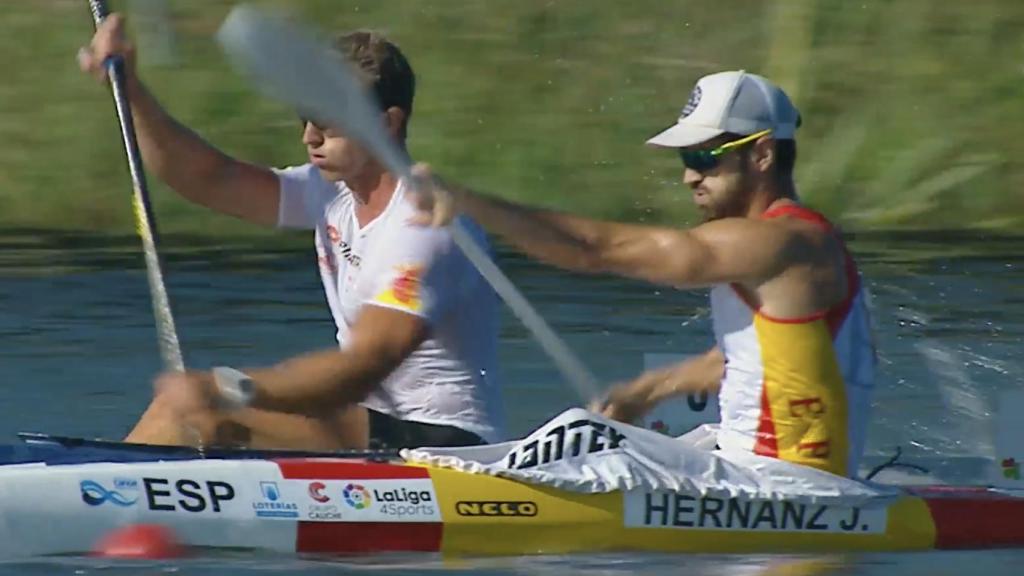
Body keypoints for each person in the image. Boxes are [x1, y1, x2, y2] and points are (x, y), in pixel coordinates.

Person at [412, 70, 877, 477]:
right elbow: (747, 360)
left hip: (786, 487)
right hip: (763, 471)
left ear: (762, 155)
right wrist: (644, 392)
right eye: (685, 160)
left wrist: (468, 202)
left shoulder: (783, 242)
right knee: (586, 440)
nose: (689, 178)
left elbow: (596, 250)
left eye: (704, 159)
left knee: (578, 436)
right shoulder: (792, 247)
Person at [77, 14, 504, 450]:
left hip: (444, 447)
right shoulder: (329, 192)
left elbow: (364, 366)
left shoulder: (424, 227)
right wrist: (130, 90)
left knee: (197, 413)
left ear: (388, 123)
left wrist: (230, 387)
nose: (308, 137)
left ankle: (91, 494)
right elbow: (211, 178)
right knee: (185, 411)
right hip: (369, 426)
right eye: (305, 118)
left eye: (327, 121)